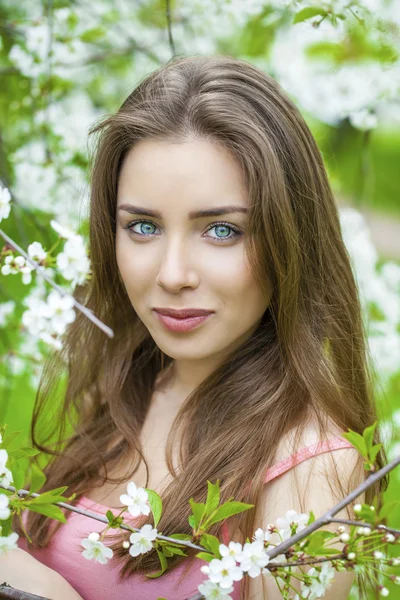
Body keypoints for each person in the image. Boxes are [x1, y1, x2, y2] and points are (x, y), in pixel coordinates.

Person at [6, 54, 386, 600]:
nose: (172, 274)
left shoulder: (312, 467)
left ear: (289, 238)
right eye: (142, 226)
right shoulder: (122, 387)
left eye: (222, 231)